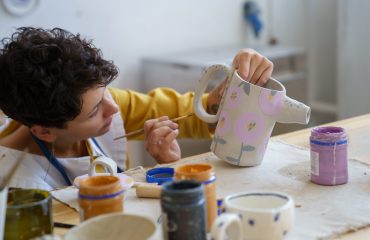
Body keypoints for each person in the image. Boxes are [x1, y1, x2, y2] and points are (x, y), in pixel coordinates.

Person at [0, 27, 273, 190]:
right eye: (95, 111)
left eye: (106, 91)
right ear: (45, 132)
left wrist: (231, 90)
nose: (114, 109)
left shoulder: (97, 102)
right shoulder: (18, 187)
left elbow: (197, 113)